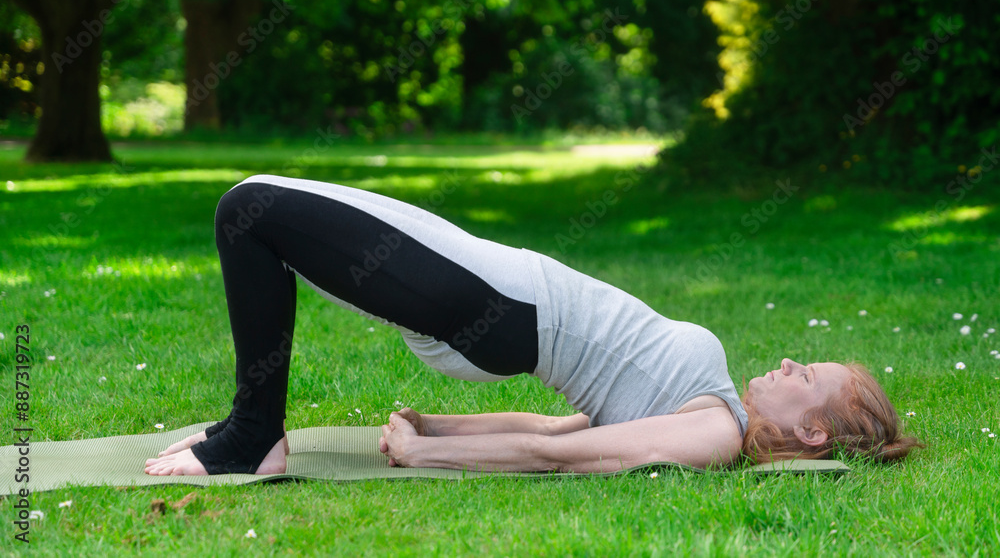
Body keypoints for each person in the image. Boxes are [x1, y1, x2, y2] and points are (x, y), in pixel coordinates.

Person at [144, 175, 920, 476]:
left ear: (813, 432)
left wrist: (425, 458)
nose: (789, 362)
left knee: (249, 210)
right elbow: (561, 417)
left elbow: (559, 453)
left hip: (498, 299)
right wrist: (436, 426)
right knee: (260, 212)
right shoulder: (711, 400)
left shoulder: (714, 434)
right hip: (496, 286)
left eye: (805, 376)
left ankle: (253, 437)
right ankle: (250, 429)